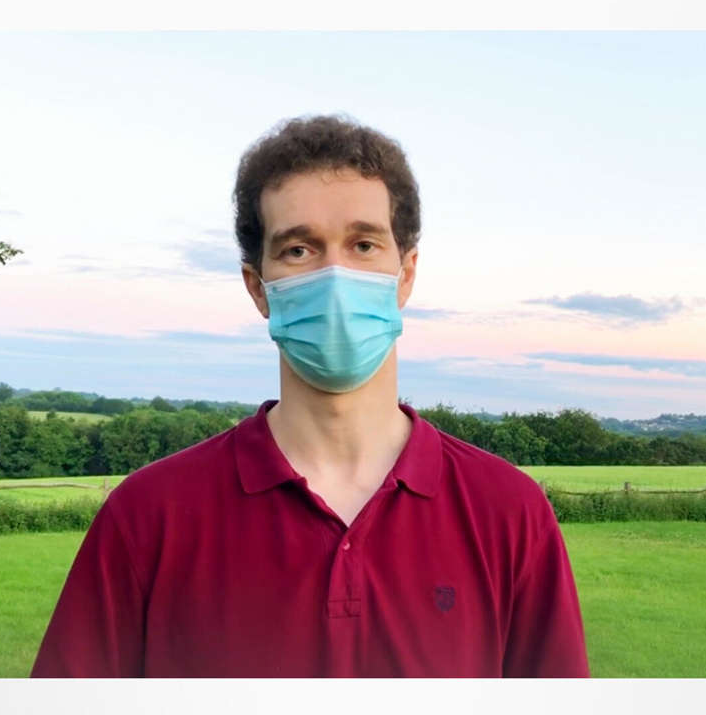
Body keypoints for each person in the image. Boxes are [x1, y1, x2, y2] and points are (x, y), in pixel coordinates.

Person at [30, 114, 590, 678]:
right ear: (258, 287)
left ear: (406, 275)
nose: (335, 276)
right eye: (299, 250)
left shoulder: (510, 513)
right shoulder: (148, 516)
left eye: (364, 244)